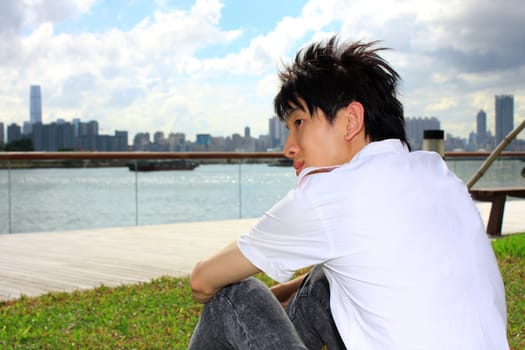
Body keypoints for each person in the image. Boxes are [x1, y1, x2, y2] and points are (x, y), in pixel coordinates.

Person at [188, 36, 509, 349]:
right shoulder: (435, 173)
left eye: (299, 122)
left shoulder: (328, 195)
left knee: (233, 296)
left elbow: (202, 281)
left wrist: (245, 304)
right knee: (319, 282)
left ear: (351, 120)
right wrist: (284, 296)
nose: (289, 147)